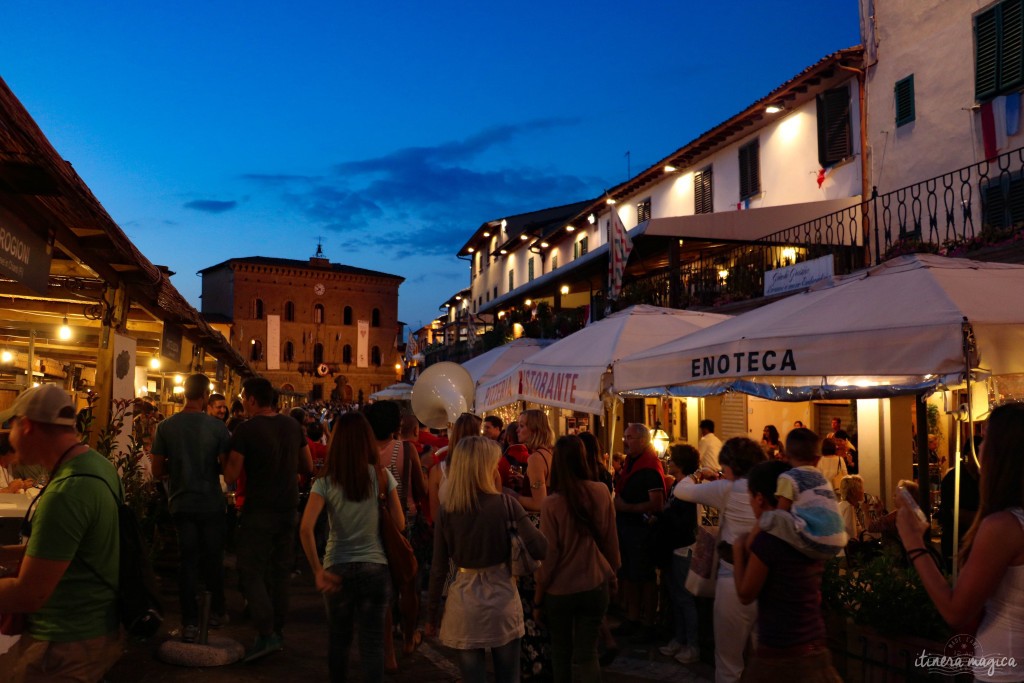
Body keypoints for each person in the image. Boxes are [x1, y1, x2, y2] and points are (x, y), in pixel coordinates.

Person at [0, 385, 123, 680]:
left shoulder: (67, 493)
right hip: (98, 630)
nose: (8, 437)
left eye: (10, 426)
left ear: (26, 426)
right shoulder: (100, 466)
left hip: (62, 646)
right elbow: (71, 551)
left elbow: (30, 593)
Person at [898, 402, 1024, 682]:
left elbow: (955, 610)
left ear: (1000, 453)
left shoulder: (1004, 527)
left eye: (986, 439)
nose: (979, 448)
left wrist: (913, 542)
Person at [425, 436, 547, 683]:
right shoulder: (506, 504)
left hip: (464, 601)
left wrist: (431, 614)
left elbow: (438, 568)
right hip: (501, 599)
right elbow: (540, 548)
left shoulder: (447, 510)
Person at [299, 411, 403, 683]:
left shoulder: (325, 481)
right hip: (375, 567)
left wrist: (317, 570)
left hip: (337, 567)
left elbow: (306, 528)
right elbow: (401, 523)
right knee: (372, 645)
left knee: (339, 641)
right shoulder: (381, 476)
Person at [222, 377, 313, 661]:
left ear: (250, 399)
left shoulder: (246, 430)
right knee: (280, 572)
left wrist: (222, 457)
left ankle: (266, 632)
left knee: (250, 571)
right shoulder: (292, 426)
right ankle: (278, 631)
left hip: (258, 511)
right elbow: (307, 466)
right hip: (288, 509)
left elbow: (231, 476)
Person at [733, 460, 842, 682]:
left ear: (760, 498)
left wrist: (737, 549)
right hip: (816, 648)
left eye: (750, 498)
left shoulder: (769, 540)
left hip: (781, 655)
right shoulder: (805, 532)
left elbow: (745, 594)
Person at [673, 437, 765, 683]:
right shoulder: (769, 486)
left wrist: (696, 474)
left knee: (728, 662)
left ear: (731, 465)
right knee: (766, 660)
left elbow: (681, 491)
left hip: (733, 576)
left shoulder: (727, 488)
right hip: (768, 578)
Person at [150, 374, 231, 642]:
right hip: (210, 502)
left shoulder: (165, 427)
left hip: (181, 502)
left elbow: (157, 469)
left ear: (184, 393)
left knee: (187, 562)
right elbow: (226, 468)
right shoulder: (218, 428)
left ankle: (190, 622)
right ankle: (217, 612)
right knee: (213, 560)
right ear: (206, 395)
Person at [534, 436, 620, 683]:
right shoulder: (601, 492)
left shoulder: (551, 504)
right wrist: (613, 573)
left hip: (560, 590)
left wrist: (538, 599)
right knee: (587, 653)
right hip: (594, 582)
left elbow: (549, 557)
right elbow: (611, 541)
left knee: (561, 653)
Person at [363, 400, 427, 661]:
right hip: (405, 524)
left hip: (374, 525)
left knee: (383, 589)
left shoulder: (364, 452)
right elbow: (421, 492)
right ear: (395, 425)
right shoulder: (407, 449)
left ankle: (388, 653)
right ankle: (409, 638)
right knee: (408, 584)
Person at [758, 428, 846, 560]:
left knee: (771, 518)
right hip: (837, 542)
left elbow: (781, 512)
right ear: (817, 460)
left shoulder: (789, 478)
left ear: (786, 457)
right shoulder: (822, 479)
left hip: (813, 541)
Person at [613, 423, 667, 641]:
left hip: (641, 530)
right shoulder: (630, 463)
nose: (626, 441)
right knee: (629, 575)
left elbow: (657, 503)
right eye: (625, 437)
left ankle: (647, 622)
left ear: (644, 440)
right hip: (627, 528)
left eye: (631, 437)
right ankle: (633, 617)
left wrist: (627, 508)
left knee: (644, 577)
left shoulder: (650, 467)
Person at [658, 444, 700, 665]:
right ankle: (680, 639)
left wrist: (665, 514)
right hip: (674, 548)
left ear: (681, 463)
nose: (669, 461)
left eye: (672, 459)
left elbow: (685, 522)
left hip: (682, 549)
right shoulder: (678, 485)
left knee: (684, 598)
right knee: (676, 596)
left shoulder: (686, 488)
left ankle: (691, 645)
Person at [428, 413, 481, 525]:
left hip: (450, 536)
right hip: (481, 535)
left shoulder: (436, 471)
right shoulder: (490, 469)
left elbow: (434, 516)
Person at [937, 451, 980, 572]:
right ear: (971, 456)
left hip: (976, 541)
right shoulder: (954, 478)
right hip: (956, 541)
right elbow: (959, 515)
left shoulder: (983, 478)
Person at [514, 409, 554, 513]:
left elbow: (539, 503)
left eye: (522, 426)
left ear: (534, 429)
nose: (517, 430)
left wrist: (511, 496)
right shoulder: (548, 452)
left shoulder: (536, 458)